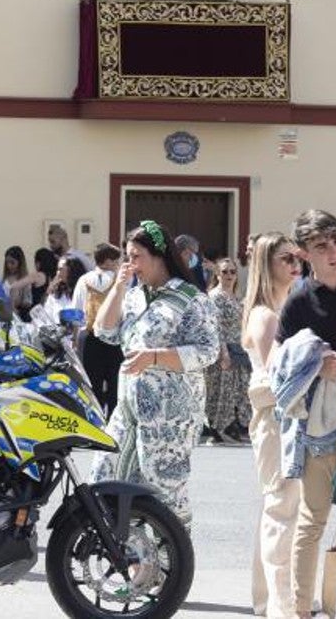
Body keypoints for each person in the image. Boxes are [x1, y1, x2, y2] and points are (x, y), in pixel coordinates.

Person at [88, 220, 219, 529]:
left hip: (170, 417)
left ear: (159, 255)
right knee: (105, 478)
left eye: (137, 256)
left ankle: (169, 568)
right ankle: (133, 566)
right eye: (127, 256)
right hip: (129, 410)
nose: (130, 264)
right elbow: (103, 332)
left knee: (164, 495)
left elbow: (208, 351)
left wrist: (156, 357)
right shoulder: (134, 296)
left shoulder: (191, 298)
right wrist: (118, 287)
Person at [277, 209, 336, 618]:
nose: (333, 252)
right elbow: (282, 370)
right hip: (320, 426)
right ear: (304, 253)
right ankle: (300, 610)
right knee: (312, 522)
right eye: (321, 246)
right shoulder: (298, 301)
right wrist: (315, 367)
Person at [242, 231, 302, 618]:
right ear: (267, 265)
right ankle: (282, 604)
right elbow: (275, 377)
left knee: (280, 509)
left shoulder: (283, 307)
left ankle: (269, 600)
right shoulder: (265, 315)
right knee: (282, 509)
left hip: (285, 418)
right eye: (286, 259)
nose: (296, 266)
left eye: (296, 258)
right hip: (275, 418)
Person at [203, 257, 252, 445]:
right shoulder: (215, 296)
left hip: (239, 350)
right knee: (222, 391)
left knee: (239, 390)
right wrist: (223, 353)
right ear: (217, 274)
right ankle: (220, 429)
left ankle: (236, 426)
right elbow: (216, 327)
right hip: (224, 351)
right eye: (225, 272)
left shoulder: (236, 296)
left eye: (232, 271)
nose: (229, 275)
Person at [73, 243, 124, 417]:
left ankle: (94, 420)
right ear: (108, 261)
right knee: (115, 383)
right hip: (115, 337)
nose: (119, 264)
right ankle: (114, 421)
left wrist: (74, 339)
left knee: (92, 383)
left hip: (89, 336)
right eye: (117, 261)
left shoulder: (84, 280)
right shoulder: (120, 280)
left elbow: (77, 311)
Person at [1, 246, 40, 322]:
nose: (9, 266)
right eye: (7, 262)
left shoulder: (25, 280)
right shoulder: (4, 279)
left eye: (12, 263)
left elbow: (28, 302)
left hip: (19, 316)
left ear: (20, 262)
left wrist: (18, 301)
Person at [42, 256, 86, 321]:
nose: (58, 273)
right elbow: (46, 316)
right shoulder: (55, 294)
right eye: (57, 269)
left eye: (61, 269)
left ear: (71, 270)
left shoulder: (84, 292)